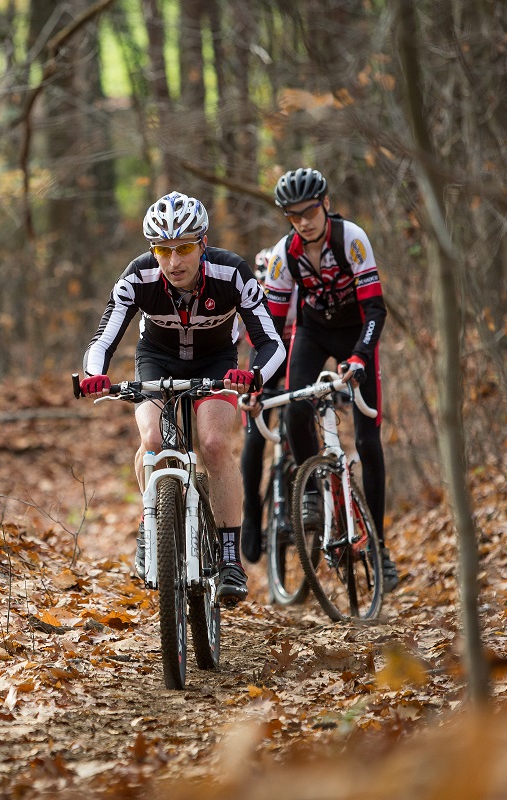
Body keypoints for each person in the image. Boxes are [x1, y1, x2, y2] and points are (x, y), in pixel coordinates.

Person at [79, 191, 284, 605]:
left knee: (214, 443)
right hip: (157, 359)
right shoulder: (138, 276)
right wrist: (94, 375)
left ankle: (229, 557)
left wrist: (254, 376)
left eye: (185, 248)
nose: (174, 261)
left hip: (216, 360)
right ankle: (149, 523)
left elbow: (271, 342)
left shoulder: (232, 273)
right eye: (163, 250)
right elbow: (103, 338)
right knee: (152, 439)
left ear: (203, 243)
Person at [260, 167, 399, 591]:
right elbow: (271, 328)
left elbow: (376, 309)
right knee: (294, 409)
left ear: (325, 204)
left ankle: (378, 546)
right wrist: (258, 380)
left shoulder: (351, 238)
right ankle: (310, 492)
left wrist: (359, 356)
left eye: (309, 211)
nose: (303, 222)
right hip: (313, 333)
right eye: (293, 215)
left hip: (357, 332)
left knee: (369, 442)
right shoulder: (284, 255)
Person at [239, 250, 295, 563]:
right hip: (263, 358)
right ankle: (251, 510)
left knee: (305, 413)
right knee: (255, 439)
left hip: (296, 352)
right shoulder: (252, 297)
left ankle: (308, 491)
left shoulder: (297, 289)